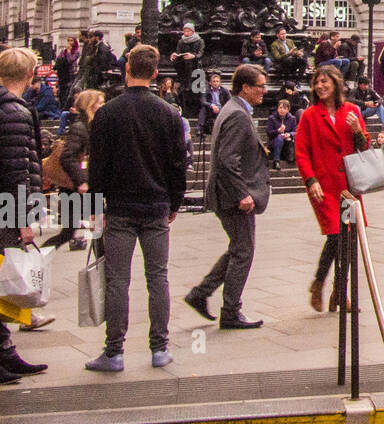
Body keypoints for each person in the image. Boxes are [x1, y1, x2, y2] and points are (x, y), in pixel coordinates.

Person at [85, 44, 188, 372]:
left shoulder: (107, 113)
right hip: (156, 205)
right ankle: (160, 348)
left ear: (126, 70)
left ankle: (114, 351)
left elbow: (97, 166)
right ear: (156, 73)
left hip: (119, 207)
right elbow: (177, 164)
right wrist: (175, 202)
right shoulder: (168, 113)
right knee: (158, 277)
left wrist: (93, 207)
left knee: (118, 280)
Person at [186, 64, 270, 330]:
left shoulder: (233, 109)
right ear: (245, 87)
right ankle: (231, 311)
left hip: (226, 193)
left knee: (238, 248)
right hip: (233, 197)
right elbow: (227, 159)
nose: (264, 91)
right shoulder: (237, 115)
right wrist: (242, 194)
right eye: (260, 86)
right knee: (244, 252)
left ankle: (200, 294)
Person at [296, 64, 370, 313]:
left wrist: (357, 130)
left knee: (347, 239)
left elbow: (364, 146)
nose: (320, 86)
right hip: (324, 185)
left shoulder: (351, 111)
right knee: (336, 235)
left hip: (349, 186)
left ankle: (336, 291)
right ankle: (323, 285)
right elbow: (301, 152)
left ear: (336, 84)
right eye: (317, 82)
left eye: (325, 82)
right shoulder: (309, 115)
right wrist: (310, 180)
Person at [0, 47, 49, 381]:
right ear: (31, 75)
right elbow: (18, 168)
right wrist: (24, 219)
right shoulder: (14, 112)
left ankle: (5, 351)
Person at [41, 88, 103, 252]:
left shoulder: (89, 125)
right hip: (76, 188)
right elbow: (67, 157)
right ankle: (39, 257)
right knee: (72, 232)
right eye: (100, 103)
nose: (102, 106)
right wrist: (81, 181)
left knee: (95, 229)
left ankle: (105, 270)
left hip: (81, 186)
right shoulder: (80, 127)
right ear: (90, 105)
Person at [170, 23, 205, 117]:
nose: (186, 33)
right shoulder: (181, 41)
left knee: (195, 90)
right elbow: (178, 52)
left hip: (195, 66)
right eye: (184, 30)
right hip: (184, 65)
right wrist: (175, 55)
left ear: (192, 31)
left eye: (188, 31)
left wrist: (193, 56)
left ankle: (188, 84)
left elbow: (200, 53)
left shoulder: (199, 41)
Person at [197, 70, 229, 138]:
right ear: (210, 83)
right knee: (203, 109)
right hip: (210, 110)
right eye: (214, 81)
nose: (215, 83)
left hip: (222, 110)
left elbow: (230, 102)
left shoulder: (225, 91)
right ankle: (199, 128)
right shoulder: (206, 90)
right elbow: (203, 101)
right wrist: (211, 105)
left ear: (220, 83)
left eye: (217, 81)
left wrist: (223, 108)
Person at [266, 99, 298, 169]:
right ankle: (276, 161)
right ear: (277, 108)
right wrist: (278, 131)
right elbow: (269, 133)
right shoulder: (272, 118)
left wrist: (289, 134)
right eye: (280, 108)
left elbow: (296, 132)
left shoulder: (292, 118)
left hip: (287, 142)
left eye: (284, 108)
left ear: (288, 110)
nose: (282, 110)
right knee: (279, 137)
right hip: (274, 142)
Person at [54, 35, 78, 110]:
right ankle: (61, 107)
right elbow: (58, 60)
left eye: (71, 40)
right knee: (61, 92)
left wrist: (68, 52)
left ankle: (65, 106)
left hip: (70, 75)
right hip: (62, 75)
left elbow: (70, 60)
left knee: (68, 92)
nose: (69, 42)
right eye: (68, 40)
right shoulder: (63, 51)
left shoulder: (76, 52)